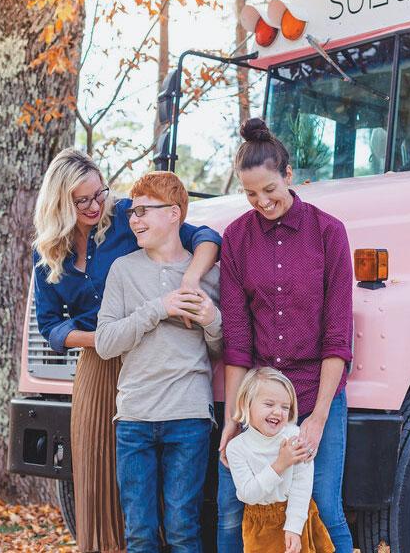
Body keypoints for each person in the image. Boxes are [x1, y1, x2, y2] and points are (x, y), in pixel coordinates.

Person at [33, 149, 221, 553]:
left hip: (154, 367)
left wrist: (189, 281)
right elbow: (50, 326)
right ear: (60, 203)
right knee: (101, 479)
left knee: (174, 511)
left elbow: (204, 236)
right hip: (100, 364)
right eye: (82, 200)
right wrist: (104, 338)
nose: (95, 205)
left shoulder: (127, 216)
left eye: (99, 193)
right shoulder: (48, 250)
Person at [217, 118, 354, 553]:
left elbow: (338, 337)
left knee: (323, 508)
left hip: (317, 393)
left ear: (289, 176)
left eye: (269, 190)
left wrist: (317, 418)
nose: (262, 202)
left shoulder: (328, 233)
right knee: (231, 508)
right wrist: (232, 420)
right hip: (258, 403)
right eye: (250, 194)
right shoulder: (236, 239)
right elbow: (237, 340)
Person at [95, 171, 222, 553]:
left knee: (183, 528)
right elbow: (105, 343)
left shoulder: (207, 276)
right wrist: (158, 308)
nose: (134, 219)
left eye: (145, 211)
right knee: (140, 533)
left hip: (188, 417)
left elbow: (219, 349)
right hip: (134, 417)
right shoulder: (123, 269)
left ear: (174, 214)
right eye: (133, 212)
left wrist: (211, 320)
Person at [225, 368, 334, 553]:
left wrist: (293, 528)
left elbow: (302, 487)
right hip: (258, 526)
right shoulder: (237, 448)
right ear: (246, 403)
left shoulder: (295, 437)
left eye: (285, 407)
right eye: (269, 404)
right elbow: (248, 494)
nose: (278, 412)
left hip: (296, 516)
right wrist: (280, 464)